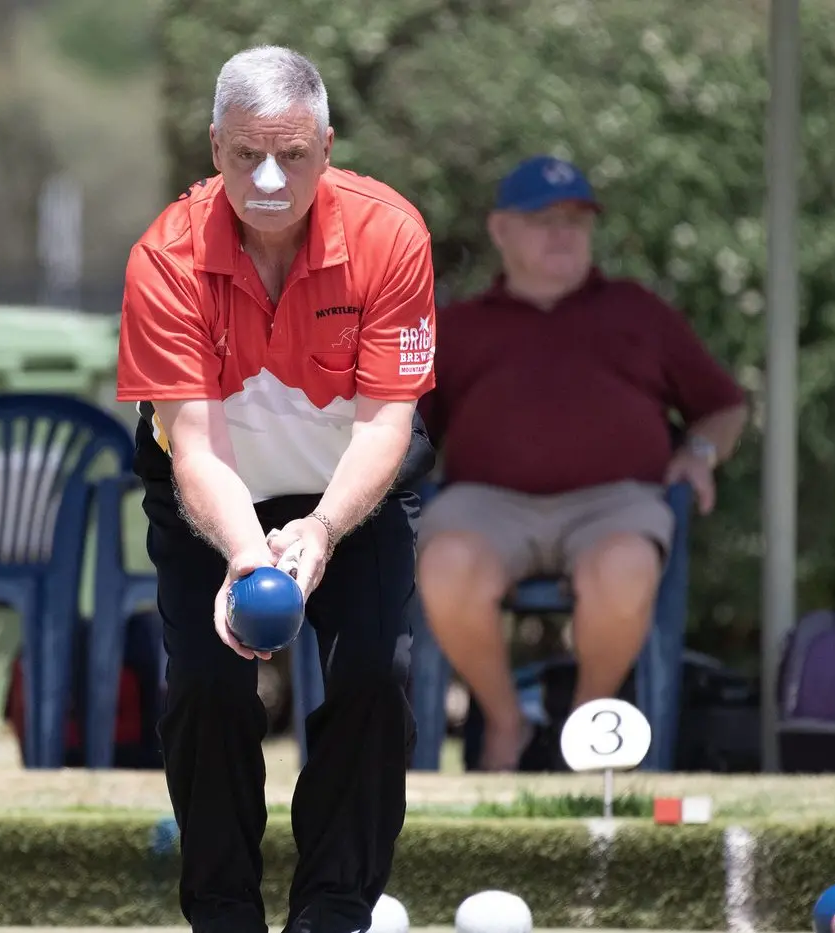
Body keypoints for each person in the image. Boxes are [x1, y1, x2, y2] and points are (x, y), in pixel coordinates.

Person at [116, 45, 437, 933]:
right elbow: (194, 443)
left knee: (374, 676)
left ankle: (333, 911)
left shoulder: (391, 235)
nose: (268, 177)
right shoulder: (165, 257)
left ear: (326, 146)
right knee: (208, 692)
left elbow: (386, 424)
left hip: (350, 494)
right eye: (245, 153)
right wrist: (250, 556)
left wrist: (324, 530)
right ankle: (222, 914)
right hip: (216, 496)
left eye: (292, 155)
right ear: (213, 145)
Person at [416, 155, 748, 772]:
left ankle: (589, 731)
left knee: (625, 568)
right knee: (444, 565)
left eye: (576, 219)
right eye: (544, 219)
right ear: (500, 231)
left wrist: (699, 454)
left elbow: (723, 406)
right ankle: (505, 724)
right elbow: (406, 432)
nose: (563, 233)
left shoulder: (637, 311)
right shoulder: (457, 326)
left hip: (616, 504)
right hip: (487, 506)